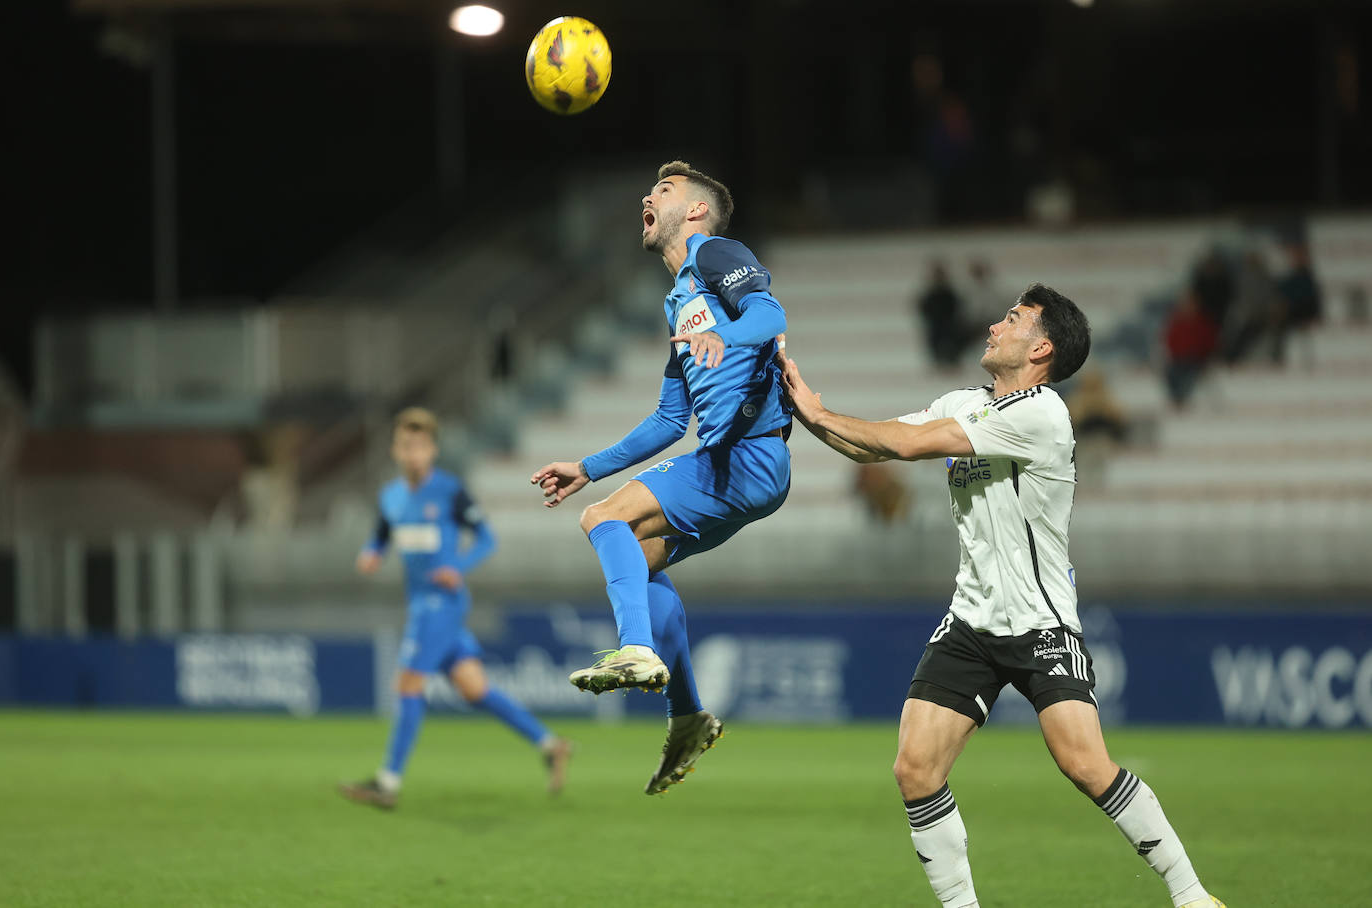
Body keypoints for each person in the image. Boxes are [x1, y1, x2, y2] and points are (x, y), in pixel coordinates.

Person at [782, 285, 1223, 908]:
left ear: (1041, 348)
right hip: (972, 620)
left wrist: (821, 415)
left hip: (1039, 621)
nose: (995, 323)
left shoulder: (1042, 414)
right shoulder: (962, 403)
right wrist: (807, 412)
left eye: (1013, 319)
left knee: (1086, 766)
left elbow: (906, 445)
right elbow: (875, 445)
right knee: (915, 769)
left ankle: (1192, 895)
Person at [530, 160, 791, 794]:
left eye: (666, 190)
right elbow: (670, 420)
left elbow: (769, 313)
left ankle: (637, 649)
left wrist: (726, 336)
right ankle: (687, 715)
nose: (649, 195)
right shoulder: (677, 300)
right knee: (638, 558)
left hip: (748, 453)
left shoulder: (715, 253)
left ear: (695, 211)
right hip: (739, 465)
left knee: (604, 522)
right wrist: (586, 468)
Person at [340, 408, 571, 809]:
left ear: (432, 450)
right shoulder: (391, 497)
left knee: (408, 685)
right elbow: (380, 537)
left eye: (420, 446)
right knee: (474, 688)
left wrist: (457, 566)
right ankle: (551, 745)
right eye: (405, 446)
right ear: (396, 450)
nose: (412, 454)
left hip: (442, 606)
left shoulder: (450, 490)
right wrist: (370, 553)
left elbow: (486, 539)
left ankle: (387, 783)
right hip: (420, 605)